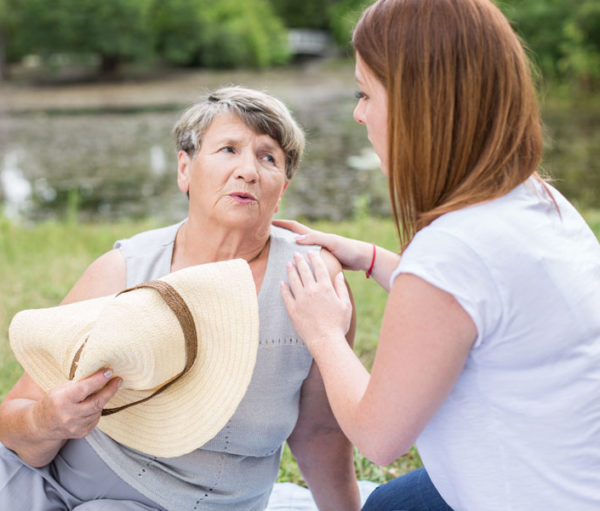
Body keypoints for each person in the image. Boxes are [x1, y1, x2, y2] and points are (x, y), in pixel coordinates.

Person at [276, 0, 600, 510]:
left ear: (416, 105)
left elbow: (378, 437)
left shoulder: (452, 251)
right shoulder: (536, 198)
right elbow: (473, 305)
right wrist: (372, 258)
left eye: (365, 93)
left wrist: (322, 329)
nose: (358, 112)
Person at [0, 86, 361, 511]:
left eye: (269, 157)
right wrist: (46, 420)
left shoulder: (312, 280)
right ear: (184, 170)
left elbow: (321, 433)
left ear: (281, 188)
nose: (247, 170)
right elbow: (15, 418)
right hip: (44, 483)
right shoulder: (125, 267)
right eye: (228, 149)